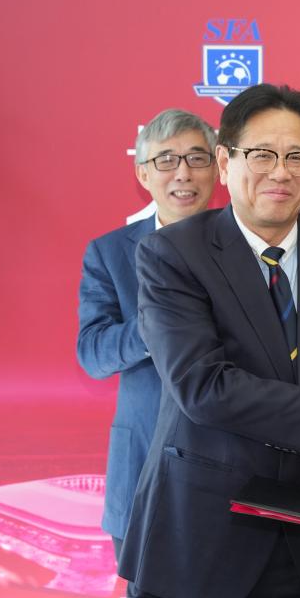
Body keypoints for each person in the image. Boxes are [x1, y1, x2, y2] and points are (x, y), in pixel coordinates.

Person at [119, 84, 300, 598]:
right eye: (262, 154)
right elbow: (202, 386)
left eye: (298, 157)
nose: (281, 172)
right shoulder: (172, 254)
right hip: (193, 551)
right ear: (225, 162)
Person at [77, 108, 218, 561]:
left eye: (197, 158)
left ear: (217, 167)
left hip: (229, 463)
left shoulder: (248, 247)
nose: (183, 173)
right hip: (142, 464)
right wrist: (158, 322)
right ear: (143, 173)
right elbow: (93, 354)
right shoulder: (109, 252)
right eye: (166, 160)